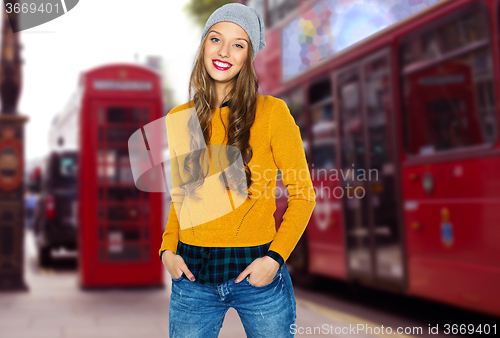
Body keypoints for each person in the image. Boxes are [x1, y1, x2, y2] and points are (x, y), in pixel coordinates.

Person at [159, 3, 316, 337]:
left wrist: (273, 260)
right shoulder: (178, 118)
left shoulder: (273, 113)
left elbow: (303, 195)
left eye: (238, 44)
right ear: (203, 44)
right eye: (216, 39)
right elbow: (181, 198)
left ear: (249, 56)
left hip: (257, 273)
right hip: (192, 279)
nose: (224, 51)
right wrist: (167, 251)